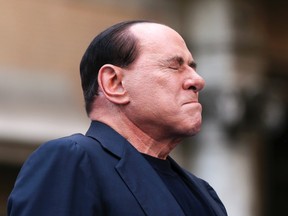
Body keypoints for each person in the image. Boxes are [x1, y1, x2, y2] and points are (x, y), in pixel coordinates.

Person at [8, 20, 227, 216]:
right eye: (174, 66)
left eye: (192, 67)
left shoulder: (203, 193)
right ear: (115, 83)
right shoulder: (72, 160)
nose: (197, 80)